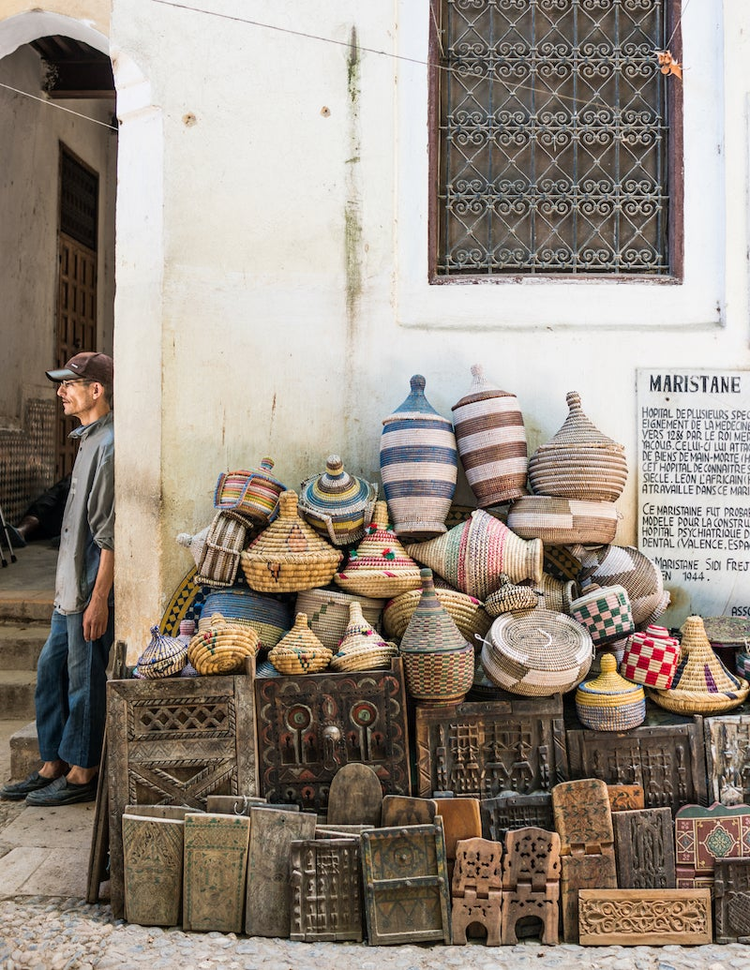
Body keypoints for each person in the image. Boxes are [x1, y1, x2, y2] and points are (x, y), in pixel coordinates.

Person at [1, 352, 114, 806]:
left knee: (86, 681)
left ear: (95, 390)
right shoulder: (87, 440)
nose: (60, 391)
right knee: (50, 672)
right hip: (66, 591)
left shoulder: (108, 445)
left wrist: (100, 598)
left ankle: (82, 773)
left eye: (69, 383)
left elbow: (108, 534)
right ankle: (53, 764)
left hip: (88, 592)